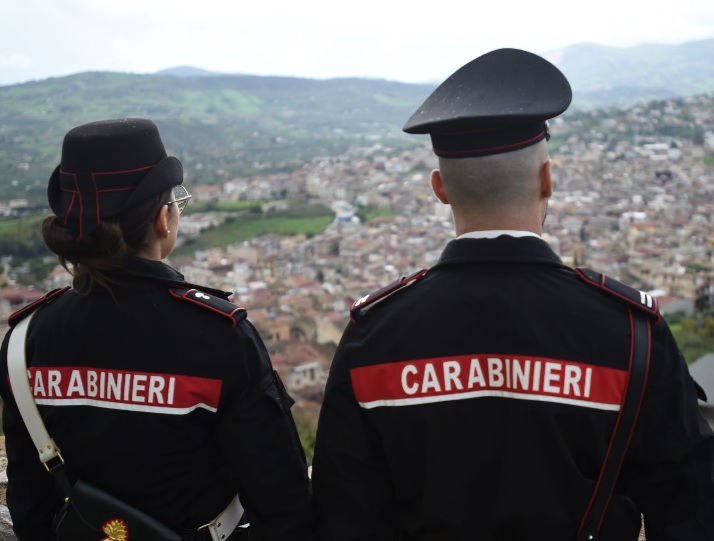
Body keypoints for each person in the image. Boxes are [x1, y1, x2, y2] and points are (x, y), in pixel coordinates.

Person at [311, 48, 714, 540]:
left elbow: (342, 518)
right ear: (548, 179)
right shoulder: (630, 333)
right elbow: (692, 508)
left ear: (441, 188)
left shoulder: (372, 337)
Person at [0, 118, 319, 540]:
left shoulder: (26, 340)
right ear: (162, 220)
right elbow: (284, 501)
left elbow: (29, 503)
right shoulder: (220, 336)